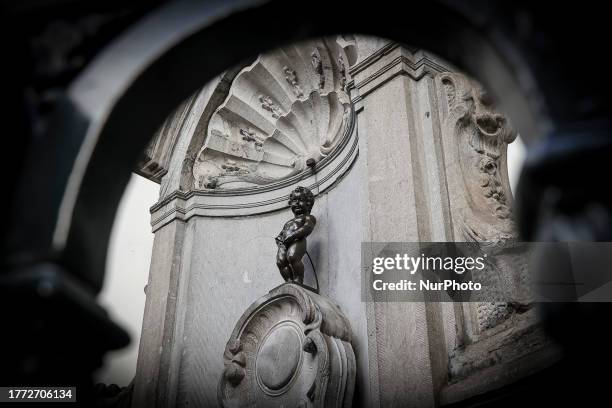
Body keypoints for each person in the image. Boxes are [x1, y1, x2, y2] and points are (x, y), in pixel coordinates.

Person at [275, 186, 317, 284]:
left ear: (308, 203)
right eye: (294, 201)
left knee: (293, 257)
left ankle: (299, 279)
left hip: (298, 240)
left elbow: (307, 228)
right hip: (284, 244)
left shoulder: (308, 217)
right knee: (280, 262)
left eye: (301, 200)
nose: (297, 203)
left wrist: (292, 236)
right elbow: (282, 233)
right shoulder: (288, 222)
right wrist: (279, 240)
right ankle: (289, 281)